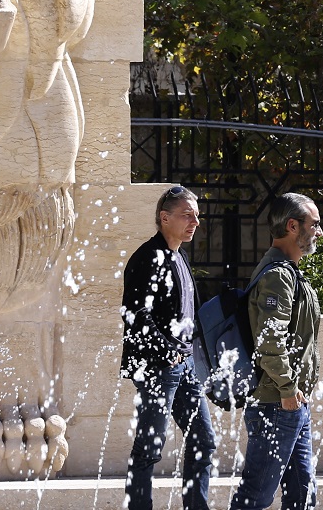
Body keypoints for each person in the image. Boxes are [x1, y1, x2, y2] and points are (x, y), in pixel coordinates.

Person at [120, 185, 217, 510]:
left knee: (204, 440)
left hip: (186, 366)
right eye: (187, 215)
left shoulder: (179, 256)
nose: (195, 222)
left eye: (197, 216)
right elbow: (135, 315)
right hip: (159, 367)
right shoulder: (147, 257)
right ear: (164, 217)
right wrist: (168, 352)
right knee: (149, 447)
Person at [230, 192, 322, 510]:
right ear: (293, 226)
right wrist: (287, 388)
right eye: (315, 224)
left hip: (290, 404)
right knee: (255, 496)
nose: (319, 232)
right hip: (276, 405)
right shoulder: (278, 277)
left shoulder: (287, 272)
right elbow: (270, 340)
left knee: (302, 495)